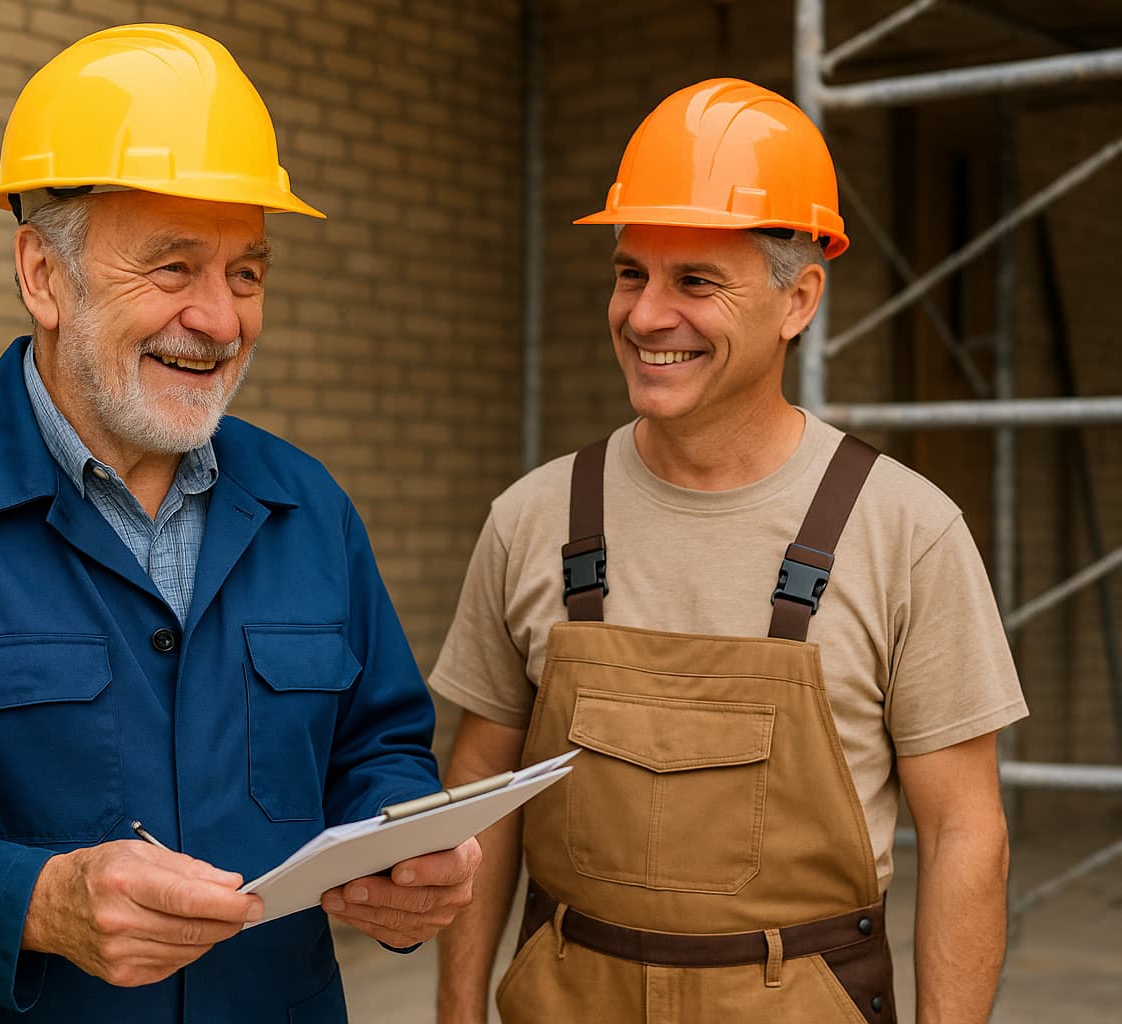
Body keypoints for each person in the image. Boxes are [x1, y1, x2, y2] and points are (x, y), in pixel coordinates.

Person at [0, 23, 479, 1024]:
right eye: (174, 268)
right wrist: (34, 902)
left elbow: (380, 747)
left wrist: (402, 851)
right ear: (42, 275)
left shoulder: (309, 505)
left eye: (246, 273)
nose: (221, 319)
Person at [432, 78, 1028, 1024]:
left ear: (800, 301)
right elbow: (480, 793)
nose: (645, 316)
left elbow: (965, 831)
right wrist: (457, 1015)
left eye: (695, 281)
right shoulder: (533, 517)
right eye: (632, 272)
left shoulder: (905, 530)